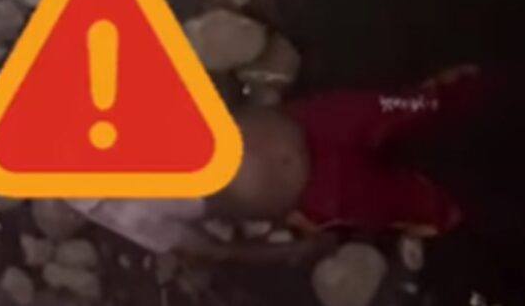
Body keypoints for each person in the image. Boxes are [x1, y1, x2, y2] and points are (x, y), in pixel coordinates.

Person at [67, 65, 492, 262]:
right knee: (434, 206)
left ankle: (479, 90)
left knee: (422, 104)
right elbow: (195, 245)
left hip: (312, 122)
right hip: (318, 191)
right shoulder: (107, 203)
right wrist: (288, 250)